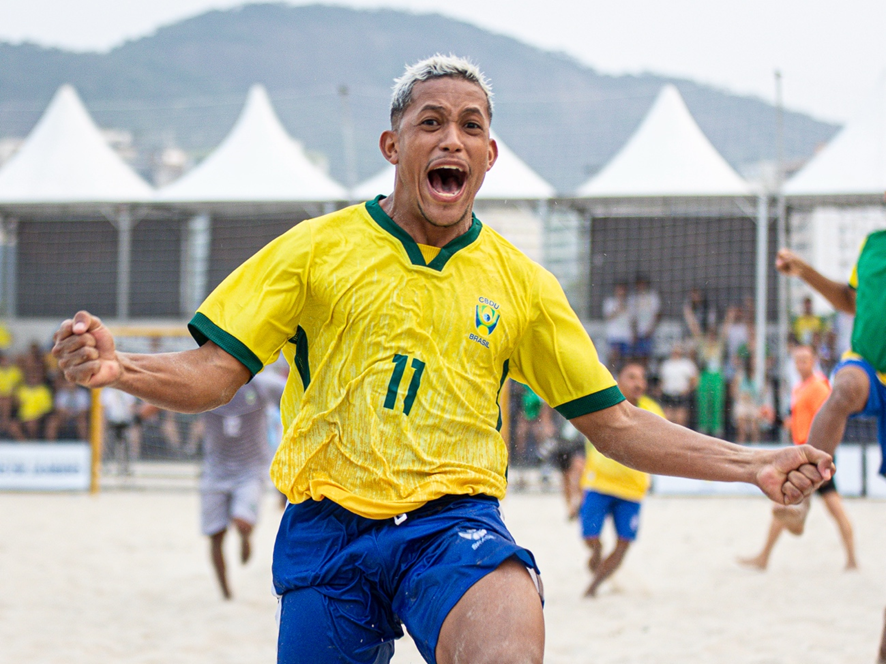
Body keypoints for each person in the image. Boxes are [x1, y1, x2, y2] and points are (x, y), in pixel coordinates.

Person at [53, 55, 833, 664]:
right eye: (431, 123)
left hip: (453, 524)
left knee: (506, 645)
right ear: (395, 144)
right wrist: (123, 369)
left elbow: (618, 424)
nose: (450, 139)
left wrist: (752, 463)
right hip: (328, 531)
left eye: (469, 126)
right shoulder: (315, 249)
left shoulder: (522, 283)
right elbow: (215, 372)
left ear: (489, 156)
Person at [776, 240, 884, 661]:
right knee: (845, 388)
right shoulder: (875, 245)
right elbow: (848, 299)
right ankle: (801, 495)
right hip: (869, 365)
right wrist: (804, 270)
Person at [738, 345, 857, 570]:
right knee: (799, 504)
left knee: (811, 504)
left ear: (813, 361)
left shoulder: (819, 388)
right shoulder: (800, 388)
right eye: (797, 360)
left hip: (816, 454)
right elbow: (795, 422)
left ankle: (851, 559)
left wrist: (822, 457)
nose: (801, 363)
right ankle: (765, 556)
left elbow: (830, 422)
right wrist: (773, 418)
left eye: (805, 359)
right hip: (804, 453)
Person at [195, 371, 286, 599]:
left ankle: (245, 538)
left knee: (242, 521)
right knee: (215, 535)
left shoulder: (261, 384)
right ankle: (225, 592)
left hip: (250, 470)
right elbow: (172, 391)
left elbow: (294, 394)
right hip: (215, 471)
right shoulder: (206, 384)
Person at [577, 362, 662, 597]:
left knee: (624, 544)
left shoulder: (652, 410)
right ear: (618, 382)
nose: (638, 382)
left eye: (642, 378)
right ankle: (596, 552)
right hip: (599, 483)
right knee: (590, 537)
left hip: (633, 489)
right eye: (631, 377)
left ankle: (593, 588)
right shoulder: (602, 404)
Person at [658, 342, 697, 427]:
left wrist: (688, 390)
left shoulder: (686, 364)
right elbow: (662, 380)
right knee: (666, 419)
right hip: (668, 394)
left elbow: (694, 380)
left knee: (680, 420)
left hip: (681, 394)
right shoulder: (666, 364)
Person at [628, 275, 660, 364]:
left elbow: (657, 314)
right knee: (636, 354)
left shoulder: (652, 296)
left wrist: (650, 329)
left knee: (647, 354)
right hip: (638, 332)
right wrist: (634, 332)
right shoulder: (633, 298)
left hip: (649, 332)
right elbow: (632, 317)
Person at [603, 281, 632, 368]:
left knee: (627, 357)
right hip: (614, 334)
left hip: (626, 335)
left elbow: (632, 320)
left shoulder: (630, 303)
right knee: (613, 356)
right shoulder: (610, 302)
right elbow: (608, 317)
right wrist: (618, 308)